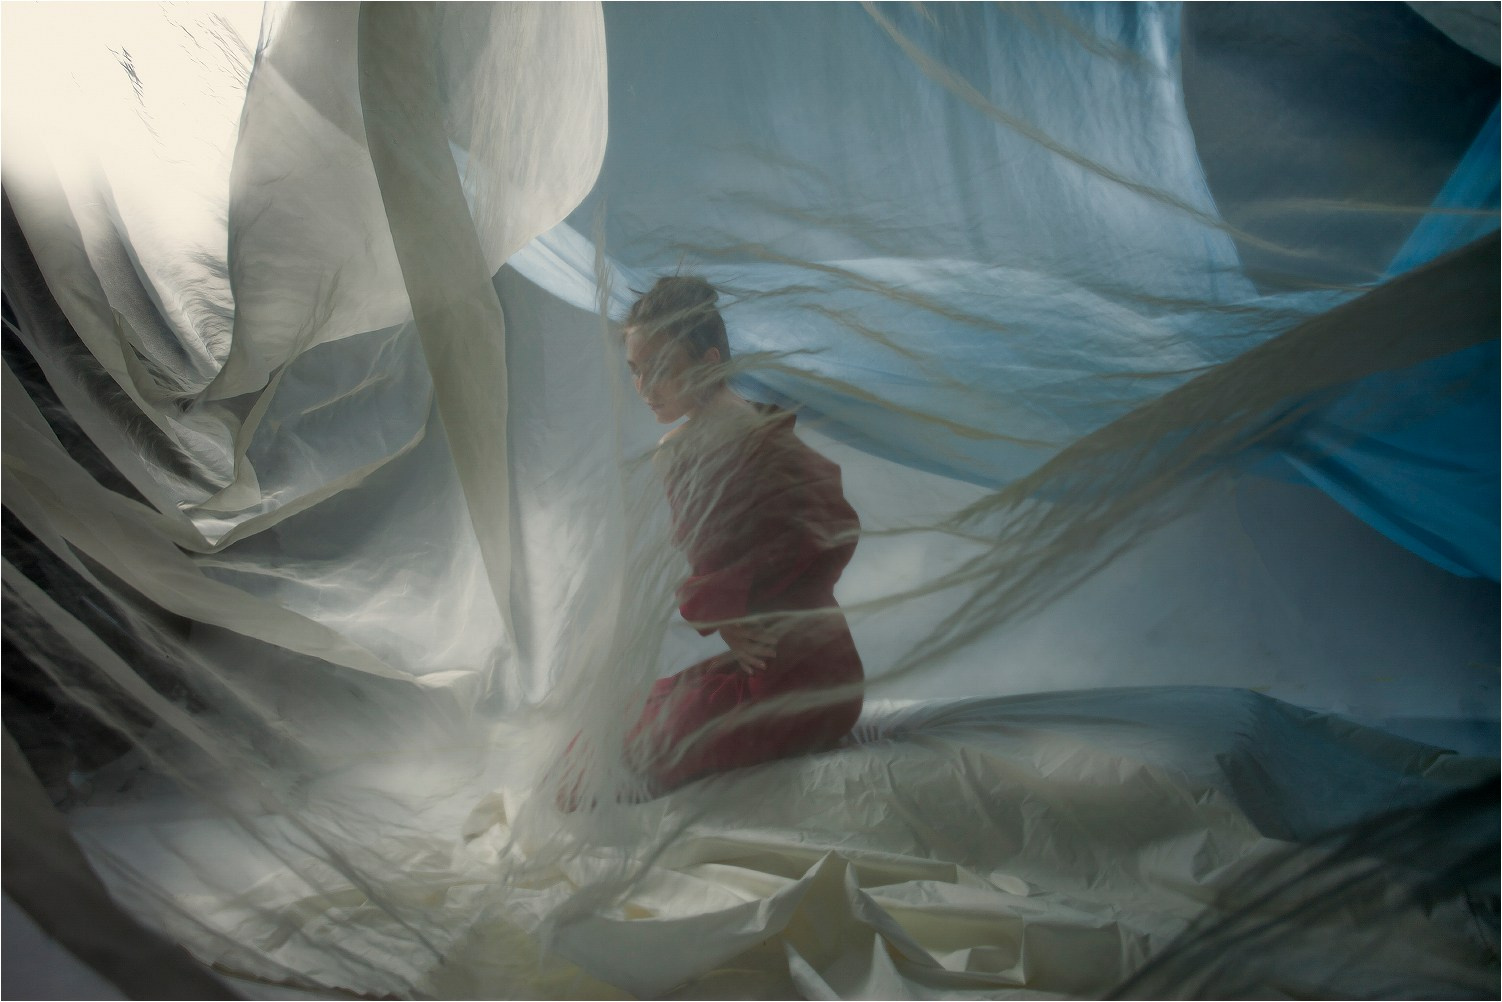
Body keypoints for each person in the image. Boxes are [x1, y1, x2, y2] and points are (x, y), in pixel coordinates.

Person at [619, 276, 864, 796]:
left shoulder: (683, 450)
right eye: (635, 370)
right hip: (830, 669)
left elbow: (718, 566)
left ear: (709, 361)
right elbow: (830, 528)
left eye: (660, 369)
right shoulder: (763, 426)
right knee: (628, 716)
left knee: (612, 758)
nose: (644, 388)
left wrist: (728, 611)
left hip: (788, 685)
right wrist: (737, 612)